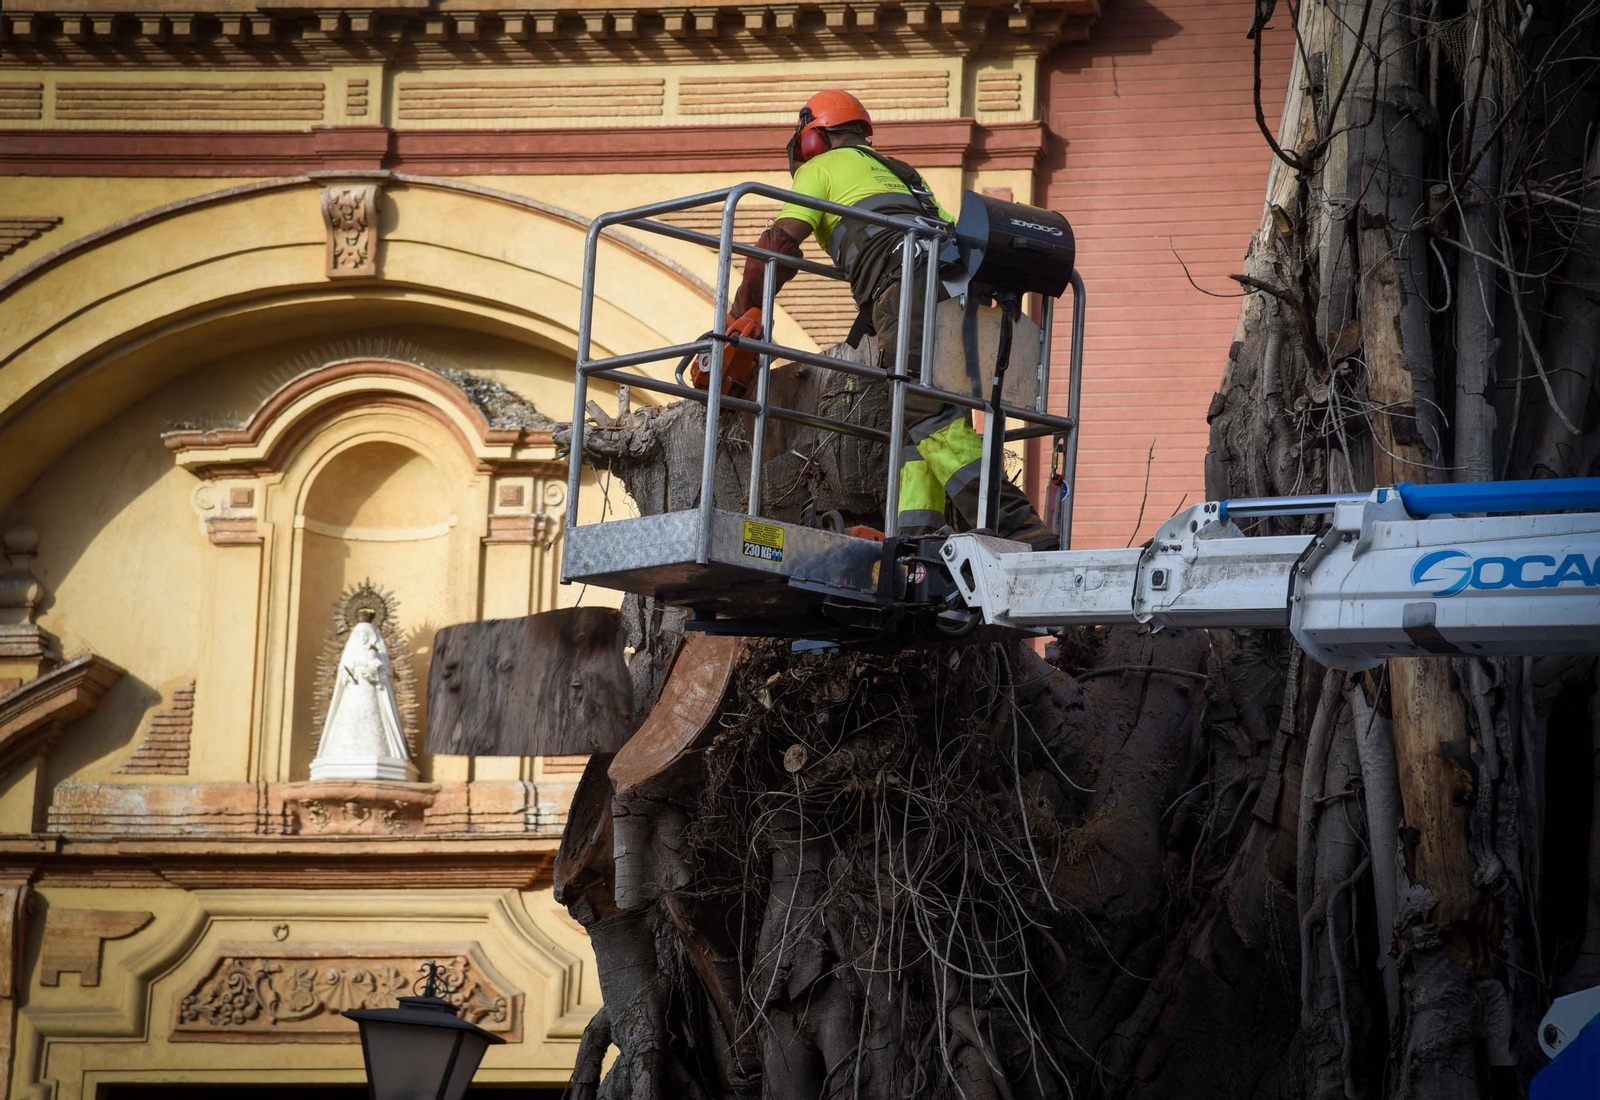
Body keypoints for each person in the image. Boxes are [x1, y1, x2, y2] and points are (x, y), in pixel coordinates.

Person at [726, 89, 1056, 549]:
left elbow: (779, 244)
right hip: (958, 293)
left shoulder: (820, 170)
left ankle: (1016, 524)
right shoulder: (904, 174)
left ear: (814, 138)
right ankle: (915, 540)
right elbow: (950, 233)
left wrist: (743, 312)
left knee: (926, 410)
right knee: (918, 421)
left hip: (909, 289)